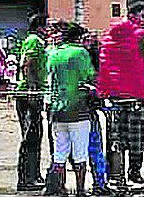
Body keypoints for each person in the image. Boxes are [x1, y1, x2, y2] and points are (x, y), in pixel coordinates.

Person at [99, 3, 144, 194]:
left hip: (116, 99)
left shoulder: (109, 37)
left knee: (117, 143)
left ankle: (119, 182)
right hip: (139, 99)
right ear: (135, 16)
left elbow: (103, 65)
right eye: (143, 16)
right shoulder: (141, 36)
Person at [46, 24, 96, 197]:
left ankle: (60, 189)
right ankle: (80, 191)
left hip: (57, 111)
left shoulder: (53, 54)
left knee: (59, 154)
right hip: (78, 110)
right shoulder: (80, 53)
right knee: (80, 154)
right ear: (79, 38)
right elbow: (89, 76)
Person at [15, 14, 49, 192]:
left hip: (35, 93)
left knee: (36, 135)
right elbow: (28, 64)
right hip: (28, 95)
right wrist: (32, 90)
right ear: (40, 26)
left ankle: (34, 174)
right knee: (30, 137)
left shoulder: (37, 41)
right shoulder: (34, 41)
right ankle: (27, 177)